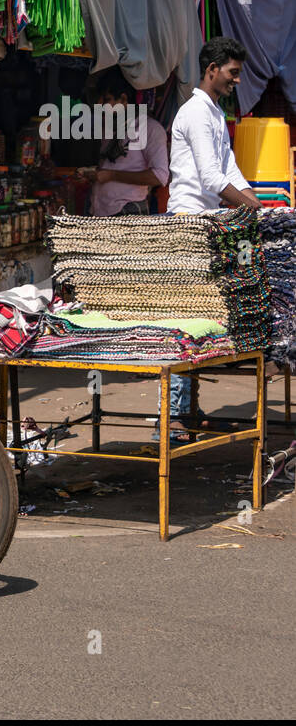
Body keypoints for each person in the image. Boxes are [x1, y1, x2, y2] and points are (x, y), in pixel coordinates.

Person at [162, 36, 261, 441]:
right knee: (184, 321)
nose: (236, 80)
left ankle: (187, 410)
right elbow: (212, 179)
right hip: (189, 224)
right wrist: (251, 208)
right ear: (212, 69)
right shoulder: (196, 113)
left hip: (210, 224)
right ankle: (170, 419)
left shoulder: (215, 114)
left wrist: (263, 209)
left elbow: (233, 173)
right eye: (233, 73)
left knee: (203, 322)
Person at [86, 71, 169, 217]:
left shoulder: (150, 129)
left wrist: (110, 175)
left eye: (106, 99)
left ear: (123, 99)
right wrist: (95, 174)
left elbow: (160, 176)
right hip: (101, 210)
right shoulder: (109, 126)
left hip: (129, 212)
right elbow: (110, 165)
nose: (100, 104)